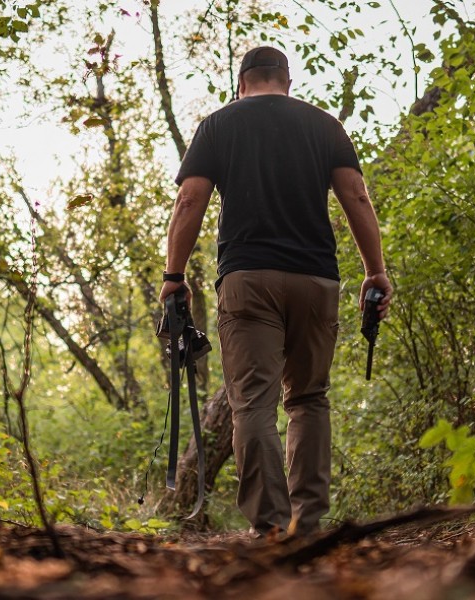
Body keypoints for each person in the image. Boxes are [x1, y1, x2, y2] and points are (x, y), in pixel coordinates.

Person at [158, 46, 392, 537]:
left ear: (241, 83)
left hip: (248, 280)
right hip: (315, 280)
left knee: (253, 404)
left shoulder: (218, 125)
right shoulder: (324, 125)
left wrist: (173, 277)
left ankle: (269, 527)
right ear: (287, 81)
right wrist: (376, 271)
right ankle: (307, 525)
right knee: (309, 399)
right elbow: (356, 195)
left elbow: (189, 201)